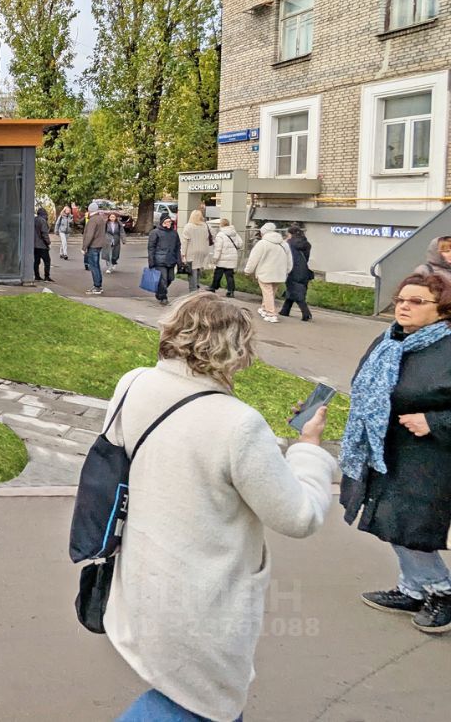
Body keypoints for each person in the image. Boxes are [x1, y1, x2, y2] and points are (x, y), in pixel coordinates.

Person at [104, 294, 335, 722]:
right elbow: (299, 516)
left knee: (194, 696)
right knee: (204, 703)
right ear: (238, 350)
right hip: (202, 592)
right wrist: (309, 449)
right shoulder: (237, 423)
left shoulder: (134, 384)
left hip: (141, 570)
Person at [340, 272, 451, 635]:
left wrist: (435, 421)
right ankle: (414, 588)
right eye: (401, 299)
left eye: (416, 301)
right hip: (384, 447)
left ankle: (442, 590)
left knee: (408, 525)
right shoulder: (390, 339)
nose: (404, 306)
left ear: (443, 309)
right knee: (389, 521)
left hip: (430, 456)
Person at [244, 222, 292, 323]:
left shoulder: (262, 243)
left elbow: (253, 259)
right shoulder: (284, 244)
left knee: (267, 292)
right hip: (279, 273)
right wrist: (287, 270)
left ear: (263, 232)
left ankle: (271, 313)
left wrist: (248, 271)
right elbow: (289, 260)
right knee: (271, 292)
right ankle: (264, 308)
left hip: (265, 272)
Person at [146, 215, 182, 306]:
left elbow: (177, 247)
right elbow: (151, 248)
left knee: (170, 278)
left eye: (170, 222)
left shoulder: (174, 233)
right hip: (160, 260)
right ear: (162, 222)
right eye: (166, 222)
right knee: (163, 279)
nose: (168, 223)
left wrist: (179, 261)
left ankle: (159, 291)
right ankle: (163, 297)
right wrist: (151, 261)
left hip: (171, 259)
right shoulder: (155, 232)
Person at [280, 226, 314, 322]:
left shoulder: (289, 243)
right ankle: (285, 310)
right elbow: (306, 258)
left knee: (295, 291)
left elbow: (287, 257)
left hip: (293, 269)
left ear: (290, 234)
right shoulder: (306, 243)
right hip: (304, 270)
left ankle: (306, 313)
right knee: (293, 289)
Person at [207, 218, 244, 297]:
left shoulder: (220, 235)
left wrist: (215, 258)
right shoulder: (235, 233)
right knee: (229, 275)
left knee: (218, 273)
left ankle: (213, 287)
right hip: (232, 258)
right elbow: (240, 244)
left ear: (221, 225)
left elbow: (218, 248)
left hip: (222, 259)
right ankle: (231, 291)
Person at [178, 209, 212, 294]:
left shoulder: (188, 226)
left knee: (192, 271)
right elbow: (209, 238)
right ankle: (197, 285)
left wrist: (183, 253)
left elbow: (185, 241)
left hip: (192, 251)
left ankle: (193, 290)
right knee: (198, 268)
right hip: (203, 251)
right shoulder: (205, 226)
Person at [82, 203, 109, 295]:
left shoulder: (93, 220)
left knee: (93, 266)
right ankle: (98, 285)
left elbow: (89, 235)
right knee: (96, 265)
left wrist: (84, 247)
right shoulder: (100, 219)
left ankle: (97, 286)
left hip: (93, 245)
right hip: (99, 244)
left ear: (90, 210)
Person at [33, 206, 53, 282]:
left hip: (34, 245)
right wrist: (48, 242)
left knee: (36, 261)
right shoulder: (43, 221)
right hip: (42, 245)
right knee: (47, 261)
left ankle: (37, 276)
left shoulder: (34, 219)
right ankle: (46, 276)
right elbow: (44, 233)